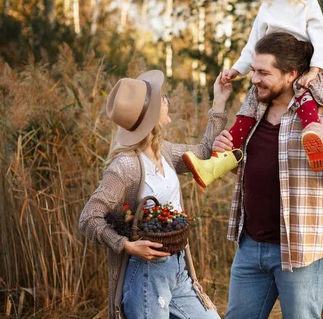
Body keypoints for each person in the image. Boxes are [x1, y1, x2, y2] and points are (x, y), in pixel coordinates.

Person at [217, 32, 323, 319]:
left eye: (264, 72)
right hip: (250, 246)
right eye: (253, 71)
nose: (254, 79)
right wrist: (227, 153)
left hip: (303, 252)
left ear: (291, 75)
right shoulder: (253, 112)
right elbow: (245, 169)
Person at [78, 69, 230, 319]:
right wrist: (126, 245)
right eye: (162, 98)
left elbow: (203, 152)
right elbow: (88, 218)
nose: (167, 100)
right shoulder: (124, 167)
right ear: (150, 116)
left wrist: (219, 100)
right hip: (146, 274)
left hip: (178, 268)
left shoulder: (164, 151)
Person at [183, 0, 323, 188]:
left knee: (304, 97)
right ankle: (215, 164)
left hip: (298, 65)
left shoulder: (308, 5)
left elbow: (321, 38)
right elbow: (253, 44)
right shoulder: (267, 7)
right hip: (269, 66)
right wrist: (237, 69)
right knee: (247, 112)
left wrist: (315, 70)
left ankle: (313, 140)